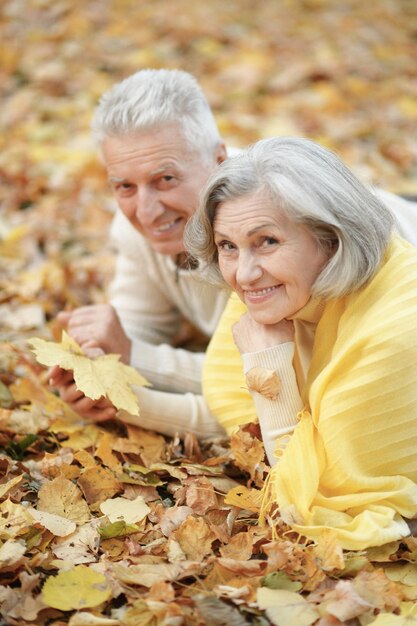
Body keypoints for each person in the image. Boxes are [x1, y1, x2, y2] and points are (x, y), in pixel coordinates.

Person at [50, 67, 417, 443]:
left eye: (166, 179)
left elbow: (290, 381)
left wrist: (134, 357)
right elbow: (220, 380)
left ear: (219, 160)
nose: (146, 212)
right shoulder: (140, 228)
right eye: (125, 186)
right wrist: (99, 369)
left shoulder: (300, 238)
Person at [184, 136, 417, 550]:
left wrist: (268, 366)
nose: (244, 274)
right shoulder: (276, 294)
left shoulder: (391, 330)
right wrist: (114, 394)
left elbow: (311, 503)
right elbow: (236, 422)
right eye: (228, 246)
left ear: (331, 237)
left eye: (267, 241)